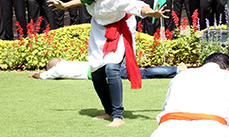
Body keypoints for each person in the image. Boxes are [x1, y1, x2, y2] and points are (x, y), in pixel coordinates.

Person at [48, 0, 167, 127]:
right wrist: (65, 5)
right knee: (96, 72)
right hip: (99, 30)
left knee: (112, 68)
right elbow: (84, 0)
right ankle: (108, 110)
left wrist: (150, 12)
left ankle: (118, 115)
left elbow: (135, 4)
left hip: (119, 28)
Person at [29, 57, 184, 80]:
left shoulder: (57, 70)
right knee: (141, 72)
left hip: (100, 71)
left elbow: (44, 76)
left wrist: (35, 74)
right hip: (100, 66)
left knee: (142, 73)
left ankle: (176, 70)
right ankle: (175, 72)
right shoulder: (68, 63)